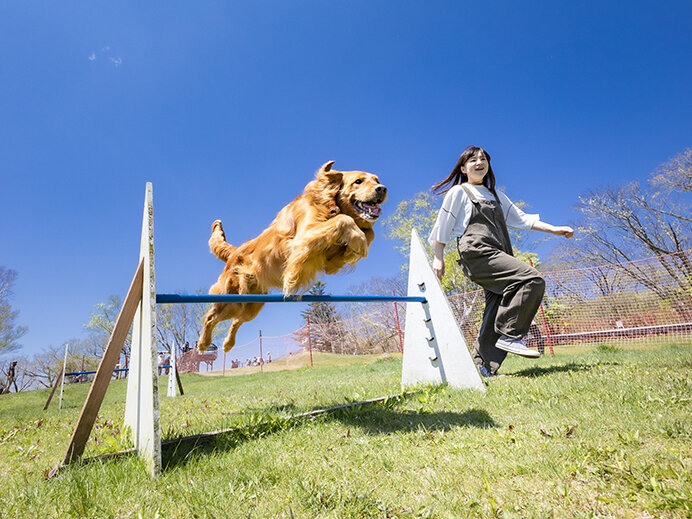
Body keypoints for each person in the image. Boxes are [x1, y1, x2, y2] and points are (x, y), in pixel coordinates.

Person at [428, 146, 573, 377]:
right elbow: (442, 225)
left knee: (496, 306)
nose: (479, 162)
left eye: (483, 159)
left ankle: (482, 368)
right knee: (532, 279)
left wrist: (554, 229)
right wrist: (438, 258)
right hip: (476, 253)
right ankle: (510, 335)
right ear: (464, 168)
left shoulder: (495, 195)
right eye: (473, 159)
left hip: (499, 254)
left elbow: (523, 219)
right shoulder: (459, 192)